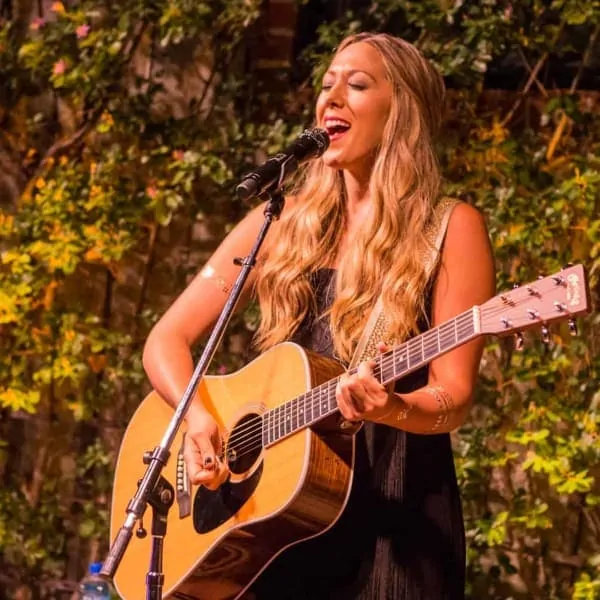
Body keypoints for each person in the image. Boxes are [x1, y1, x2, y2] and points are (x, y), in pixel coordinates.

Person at [142, 32, 495, 600]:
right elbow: (166, 339)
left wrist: (396, 407)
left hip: (395, 518)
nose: (330, 98)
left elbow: (453, 397)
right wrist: (198, 418)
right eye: (326, 84)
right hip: (278, 520)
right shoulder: (280, 222)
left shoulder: (450, 229)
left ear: (401, 111)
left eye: (356, 85)